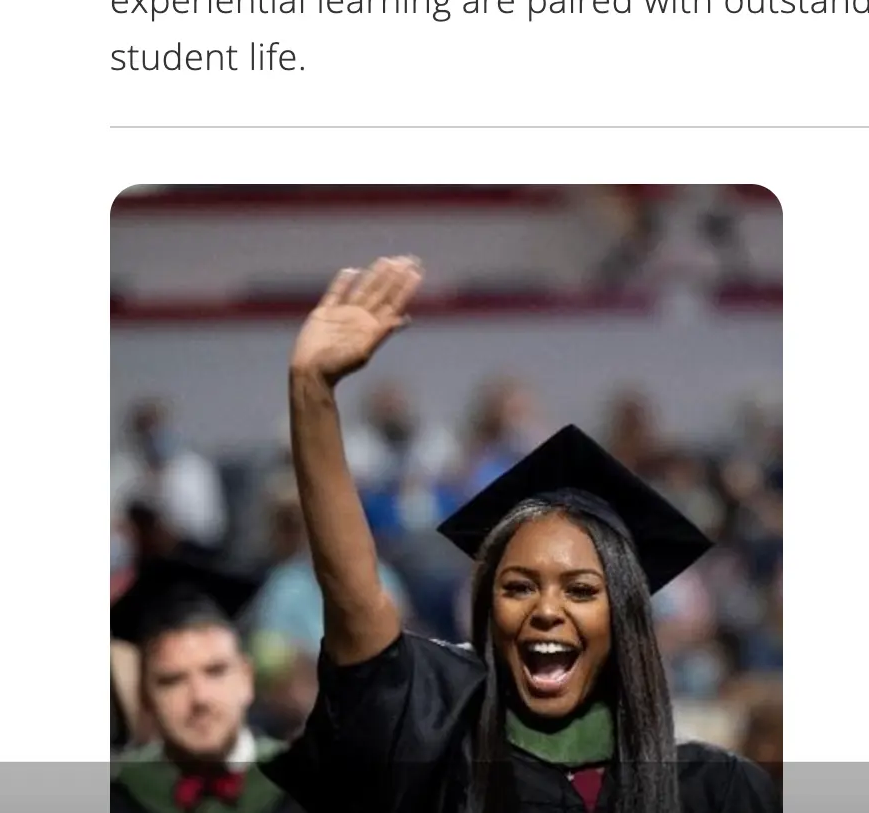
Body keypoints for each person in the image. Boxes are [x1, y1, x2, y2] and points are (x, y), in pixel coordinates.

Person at [264, 256, 779, 813]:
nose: (546, 609)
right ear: (488, 607)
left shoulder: (714, 791)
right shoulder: (439, 766)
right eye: (518, 587)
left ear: (625, 614)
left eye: (580, 589)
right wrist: (312, 393)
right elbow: (355, 597)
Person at [112, 561, 303, 813]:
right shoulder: (118, 795)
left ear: (246, 678)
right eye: (172, 681)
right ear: (145, 696)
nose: (199, 698)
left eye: (215, 671)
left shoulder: (303, 784)